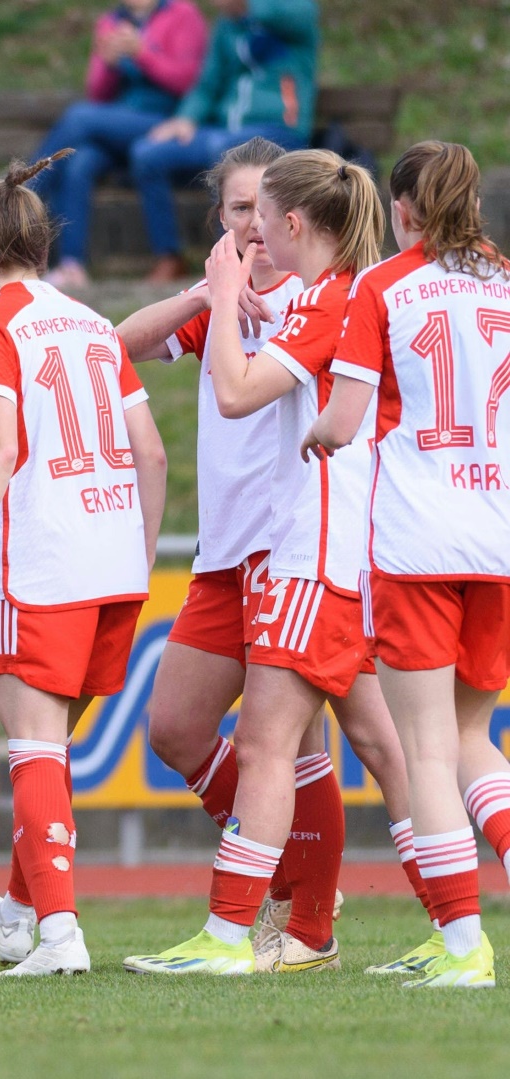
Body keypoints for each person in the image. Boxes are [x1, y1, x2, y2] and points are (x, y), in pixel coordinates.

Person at [117, 139, 430, 975]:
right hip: (237, 553)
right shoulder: (264, 294)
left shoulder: (323, 297)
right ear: (220, 218)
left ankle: (304, 924)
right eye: (236, 210)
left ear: (291, 218)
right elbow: (121, 345)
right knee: (189, 729)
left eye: (264, 209)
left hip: (304, 551)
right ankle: (425, 924)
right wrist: (209, 295)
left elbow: (236, 387)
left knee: (315, 745)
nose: (252, 227)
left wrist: (223, 307)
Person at [0, 150, 167, 977]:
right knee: (51, 755)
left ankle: (61, 938)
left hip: (45, 563)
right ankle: (21, 910)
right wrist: (134, 549)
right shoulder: (94, 323)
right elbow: (151, 454)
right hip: (116, 566)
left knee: (33, 750)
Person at [306, 140, 510, 989]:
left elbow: (346, 417)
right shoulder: (506, 282)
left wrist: (316, 433)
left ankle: (463, 946)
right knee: (472, 737)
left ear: (404, 209)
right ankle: (458, 935)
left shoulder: (382, 287)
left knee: (426, 749)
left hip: (418, 539)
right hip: (498, 536)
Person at [128, 0, 319, 282]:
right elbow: (208, 85)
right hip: (224, 131)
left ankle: (233, 262)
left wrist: (247, 7)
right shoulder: (225, 28)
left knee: (226, 153)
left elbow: (299, 15)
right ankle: (170, 257)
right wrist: (186, 118)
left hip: (279, 128)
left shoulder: (292, 11)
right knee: (148, 153)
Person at [35, 0, 208, 290]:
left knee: (78, 118)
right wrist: (110, 64)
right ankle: (71, 265)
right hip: (118, 126)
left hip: (166, 123)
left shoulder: (182, 13)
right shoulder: (110, 21)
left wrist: (142, 53)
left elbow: (187, 80)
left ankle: (19, 195)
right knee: (80, 160)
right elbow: (98, 93)